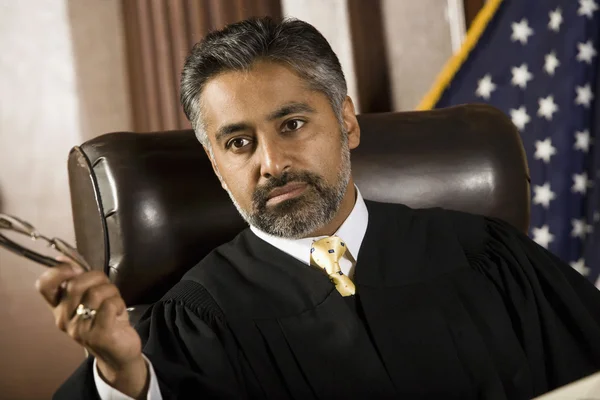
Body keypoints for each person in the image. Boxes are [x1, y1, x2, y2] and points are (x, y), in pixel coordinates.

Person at [37, 16, 600, 400]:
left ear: (347, 122)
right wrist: (124, 375)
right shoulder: (192, 327)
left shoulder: (486, 256)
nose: (271, 162)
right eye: (238, 143)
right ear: (215, 164)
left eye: (292, 124)